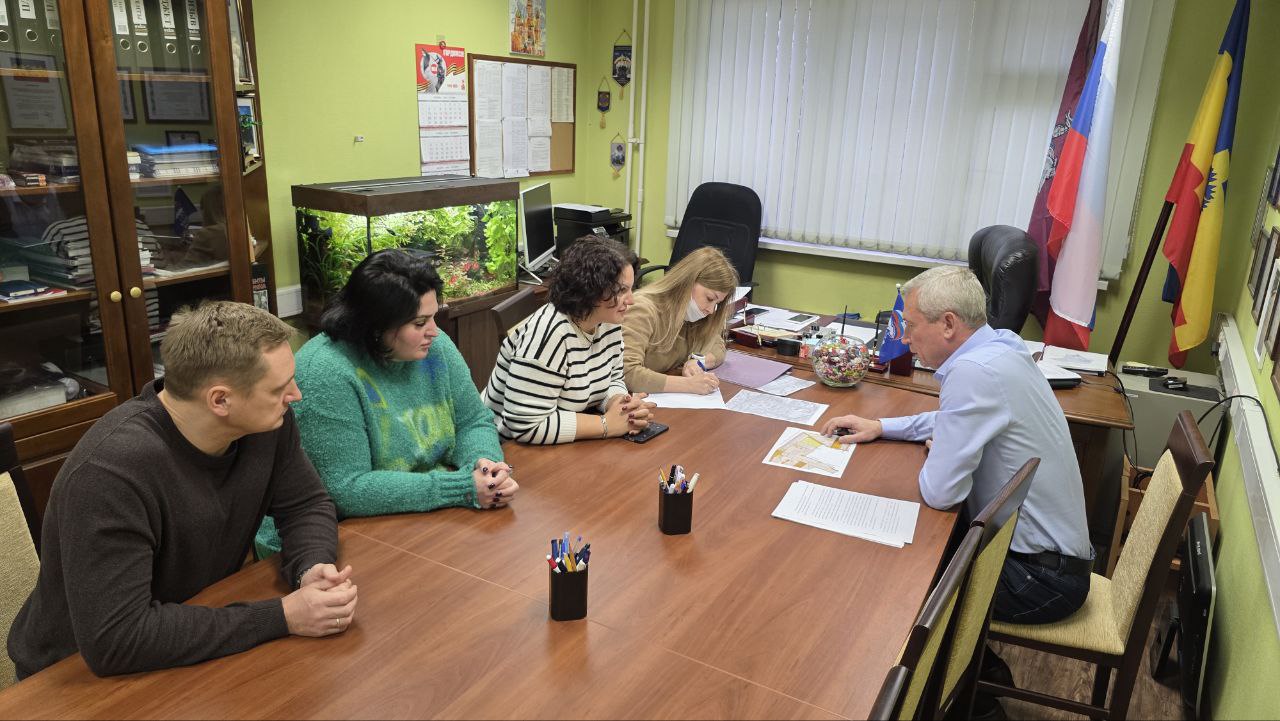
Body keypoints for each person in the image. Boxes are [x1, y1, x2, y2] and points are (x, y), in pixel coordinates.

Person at [7, 302, 355, 679]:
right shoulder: (110, 473)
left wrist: (311, 566)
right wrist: (283, 616)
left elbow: (305, 504)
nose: (296, 395)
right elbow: (117, 640)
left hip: (187, 630)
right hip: (75, 677)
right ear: (220, 400)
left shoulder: (265, 424)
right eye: (279, 388)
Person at [821, 266, 1092, 718]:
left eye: (911, 326)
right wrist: (883, 426)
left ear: (948, 323)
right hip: (1049, 559)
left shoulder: (973, 371)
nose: (905, 339)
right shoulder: (1000, 346)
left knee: (895, 586)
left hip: (1039, 579)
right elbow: (955, 419)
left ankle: (959, 700)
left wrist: (939, 452)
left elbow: (941, 492)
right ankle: (978, 676)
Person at [254, 250, 516, 556]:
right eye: (419, 322)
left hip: (426, 516)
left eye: (434, 315)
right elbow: (346, 490)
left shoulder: (434, 346)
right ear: (377, 325)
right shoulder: (325, 372)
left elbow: (473, 420)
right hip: (338, 540)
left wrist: (485, 467)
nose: (434, 331)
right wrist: (461, 488)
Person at [483, 236, 655, 444]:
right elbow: (525, 425)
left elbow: (612, 377)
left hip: (560, 443)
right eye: (621, 291)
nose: (631, 300)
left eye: (630, 288)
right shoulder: (549, 335)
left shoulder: (608, 319)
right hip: (506, 451)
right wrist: (606, 425)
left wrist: (622, 406)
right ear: (590, 290)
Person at [621, 246, 738, 394]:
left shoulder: (691, 317)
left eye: (717, 304)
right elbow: (627, 372)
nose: (711, 310)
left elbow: (718, 346)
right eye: (709, 298)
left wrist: (697, 362)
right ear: (688, 281)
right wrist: (688, 385)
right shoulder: (643, 309)